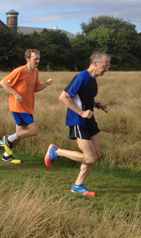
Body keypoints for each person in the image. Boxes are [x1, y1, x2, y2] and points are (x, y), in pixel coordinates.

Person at [45, 51, 111, 197]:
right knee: (90, 157)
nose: (107, 69)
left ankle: (77, 185)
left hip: (89, 120)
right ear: (94, 63)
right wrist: (81, 113)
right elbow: (64, 97)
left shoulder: (93, 79)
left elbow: (84, 98)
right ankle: (56, 152)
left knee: (96, 154)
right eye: (105, 66)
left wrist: (99, 105)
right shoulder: (82, 76)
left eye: (108, 66)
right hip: (78, 120)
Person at [0, 49, 53, 163]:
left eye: (39, 59)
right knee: (34, 131)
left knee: (19, 135)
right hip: (18, 106)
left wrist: (46, 84)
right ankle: (8, 139)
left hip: (28, 107)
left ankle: (7, 155)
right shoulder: (20, 71)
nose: (38, 61)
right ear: (27, 59)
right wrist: (16, 94)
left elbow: (35, 88)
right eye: (35, 59)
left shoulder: (35, 71)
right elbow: (3, 82)